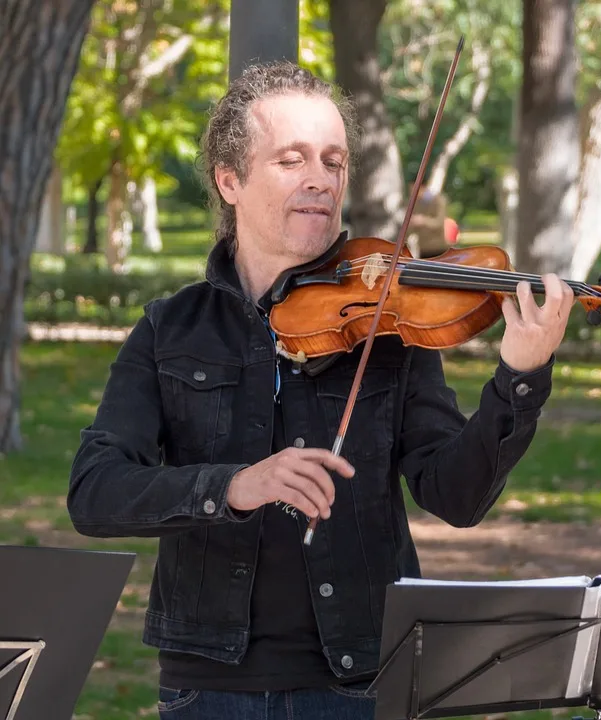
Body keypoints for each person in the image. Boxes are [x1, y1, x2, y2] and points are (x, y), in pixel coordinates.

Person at [67, 61, 575, 720]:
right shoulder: (173, 328)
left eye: (333, 162)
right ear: (230, 181)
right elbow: (95, 490)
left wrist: (519, 378)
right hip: (209, 685)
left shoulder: (387, 323)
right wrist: (233, 485)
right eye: (291, 159)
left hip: (360, 680)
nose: (319, 179)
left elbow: (455, 496)